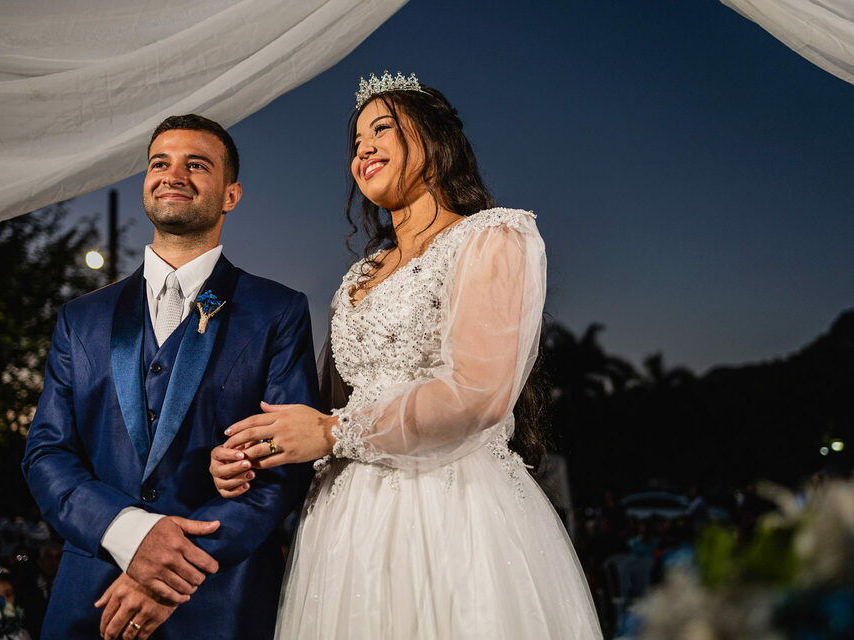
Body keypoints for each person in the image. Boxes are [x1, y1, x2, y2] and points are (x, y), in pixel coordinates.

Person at [210, 72, 603, 639]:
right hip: (345, 526)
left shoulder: (493, 237)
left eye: (382, 128)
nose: (363, 148)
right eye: (355, 142)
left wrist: (331, 432)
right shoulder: (359, 277)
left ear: (436, 141)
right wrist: (257, 449)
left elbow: (478, 394)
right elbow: (323, 406)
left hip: (452, 510)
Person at [22, 114, 319, 640]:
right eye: (160, 163)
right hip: (93, 594)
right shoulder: (81, 317)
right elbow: (47, 453)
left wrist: (173, 569)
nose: (173, 175)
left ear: (231, 195)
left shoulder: (277, 311)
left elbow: (284, 469)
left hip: (220, 597)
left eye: (196, 165)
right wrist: (131, 534)